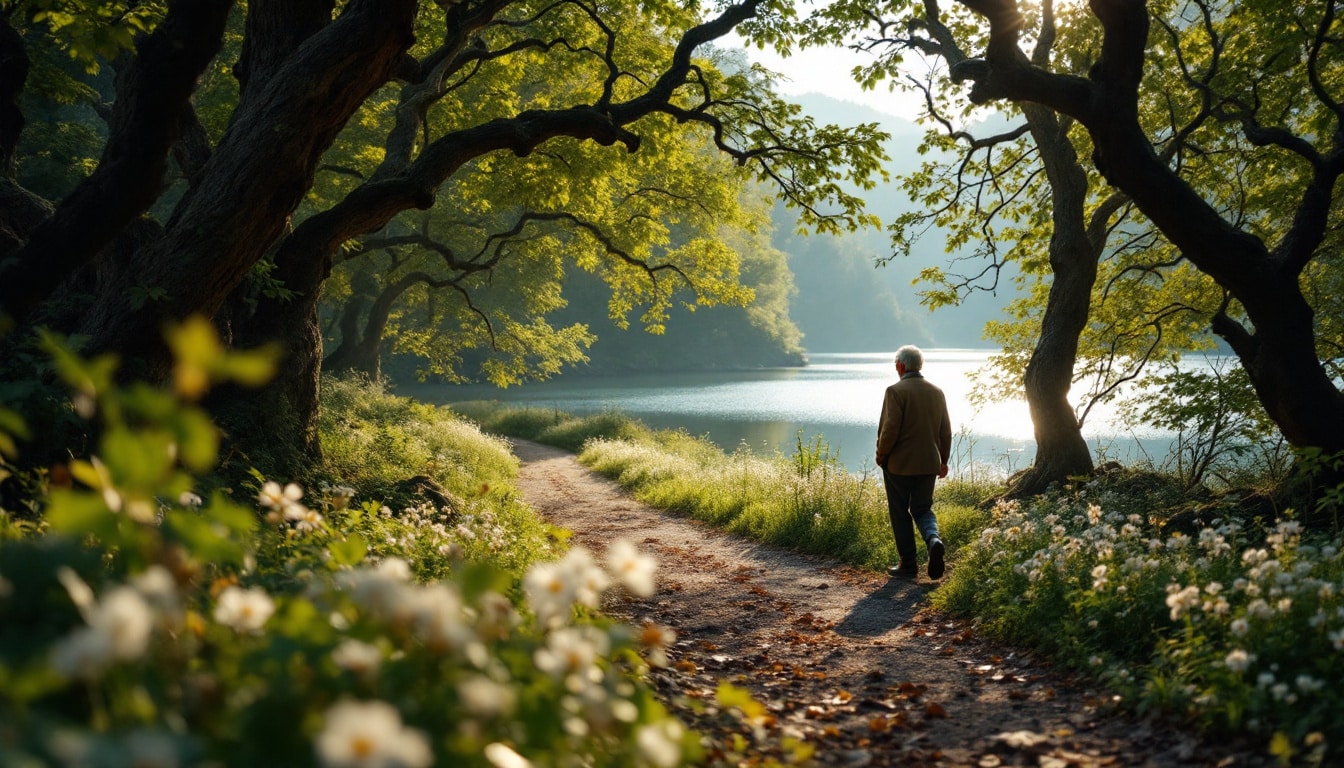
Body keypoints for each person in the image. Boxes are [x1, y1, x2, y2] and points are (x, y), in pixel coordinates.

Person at [875, 345, 952, 580]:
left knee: (900, 512)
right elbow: (945, 431)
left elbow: (890, 429)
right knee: (922, 508)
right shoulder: (936, 392)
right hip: (929, 463)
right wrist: (943, 461)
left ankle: (908, 565)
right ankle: (933, 539)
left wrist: (881, 455)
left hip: (899, 465)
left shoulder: (895, 391)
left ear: (900, 365)